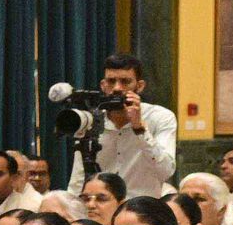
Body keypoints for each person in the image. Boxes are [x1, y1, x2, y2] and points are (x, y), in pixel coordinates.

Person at [72, 53, 178, 199]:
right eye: (111, 81)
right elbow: (78, 176)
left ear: (139, 86)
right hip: (99, 206)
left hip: (141, 207)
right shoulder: (90, 120)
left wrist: (139, 128)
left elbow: (166, 170)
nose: (117, 88)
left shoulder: (160, 117)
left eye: (125, 82)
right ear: (103, 86)